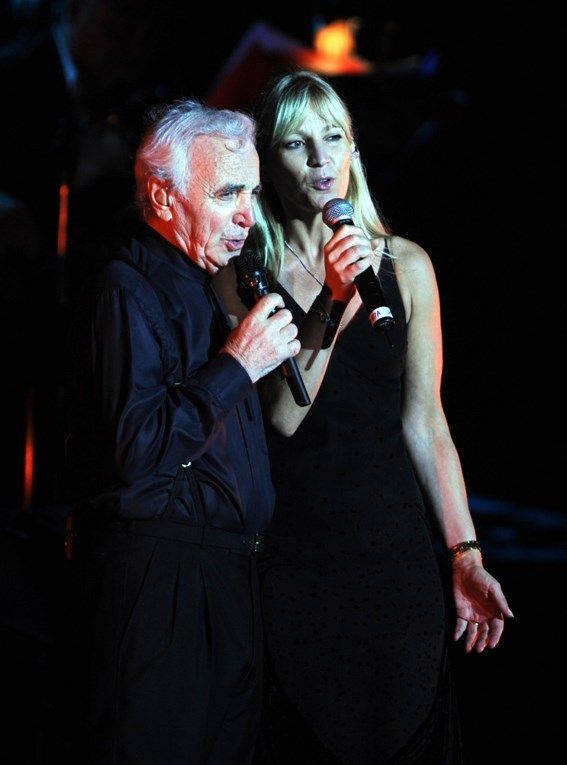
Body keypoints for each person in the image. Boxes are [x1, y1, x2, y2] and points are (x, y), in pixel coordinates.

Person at [247, 70, 514, 764]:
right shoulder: (246, 269)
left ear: (352, 149)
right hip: (294, 557)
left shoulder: (406, 265)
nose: (318, 159)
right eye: (295, 143)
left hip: (391, 558)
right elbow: (281, 415)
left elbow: (426, 424)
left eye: (332, 138)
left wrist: (464, 553)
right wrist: (331, 304)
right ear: (265, 162)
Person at [65, 98, 299, 765]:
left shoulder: (214, 291)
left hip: (228, 579)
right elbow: (136, 453)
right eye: (227, 193)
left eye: (252, 192)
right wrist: (237, 366)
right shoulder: (125, 288)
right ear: (165, 199)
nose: (247, 215)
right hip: (161, 588)